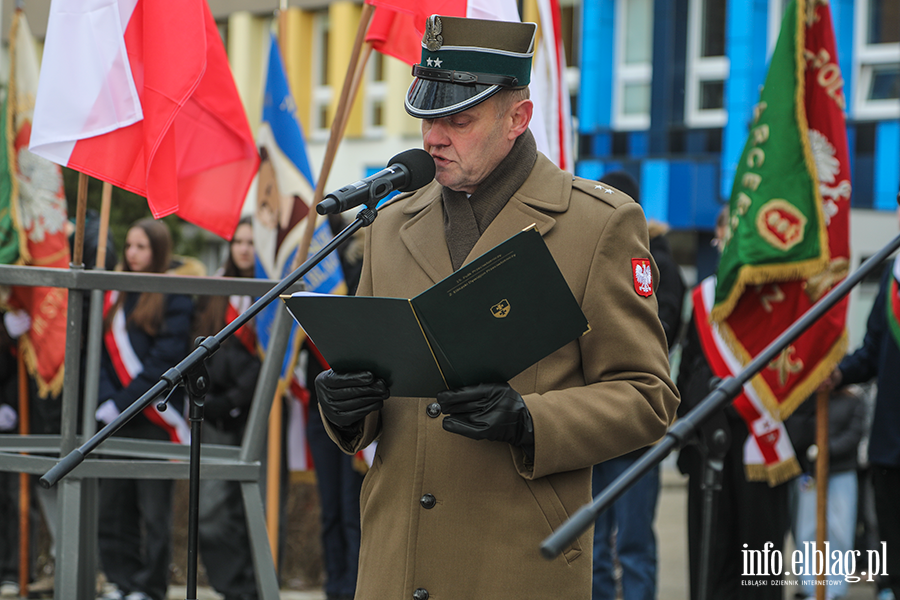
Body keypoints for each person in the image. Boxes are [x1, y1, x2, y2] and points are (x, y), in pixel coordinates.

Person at [314, 15, 679, 600]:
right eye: (429, 116)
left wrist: (531, 420)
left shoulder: (597, 226)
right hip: (395, 566)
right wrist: (345, 406)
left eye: (459, 119)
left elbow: (647, 396)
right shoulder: (387, 226)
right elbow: (374, 389)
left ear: (518, 117)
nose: (433, 136)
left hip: (514, 567)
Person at [676, 207, 790, 600]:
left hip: (761, 450)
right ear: (719, 236)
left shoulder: (776, 297)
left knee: (759, 571)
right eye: (727, 230)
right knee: (710, 565)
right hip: (710, 448)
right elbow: (688, 368)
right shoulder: (705, 297)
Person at [590, 170, 685, 600]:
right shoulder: (589, 253)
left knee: (632, 546)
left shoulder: (657, 261)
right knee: (589, 548)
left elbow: (658, 334)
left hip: (634, 427)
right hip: (590, 425)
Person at [96, 218, 194, 600]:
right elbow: (100, 354)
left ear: (159, 250)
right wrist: (107, 400)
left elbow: (165, 360)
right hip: (114, 418)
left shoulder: (176, 294)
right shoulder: (116, 292)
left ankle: (149, 587)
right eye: (130, 246)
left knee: (154, 511)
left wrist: (121, 403)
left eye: (142, 247)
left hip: (155, 415)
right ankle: (121, 580)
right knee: (113, 506)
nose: (133, 254)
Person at [819, 201, 900, 600]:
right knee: (891, 542)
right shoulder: (890, 274)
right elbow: (872, 351)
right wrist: (839, 373)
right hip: (891, 441)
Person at [191, 216, 260, 600]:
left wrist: (237, 399)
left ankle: (260, 585)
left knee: (258, 507)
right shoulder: (213, 293)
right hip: (215, 414)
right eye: (239, 241)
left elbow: (273, 362)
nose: (245, 248)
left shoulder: (276, 289)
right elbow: (195, 346)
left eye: (252, 241)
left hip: (258, 412)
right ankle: (230, 587)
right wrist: (213, 400)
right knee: (212, 510)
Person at [785, 386, 866, 600]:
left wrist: (825, 449)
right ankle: (811, 586)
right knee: (807, 530)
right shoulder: (805, 399)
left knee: (839, 530)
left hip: (841, 471)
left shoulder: (853, 401)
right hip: (810, 473)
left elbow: (854, 434)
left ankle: (835, 587)